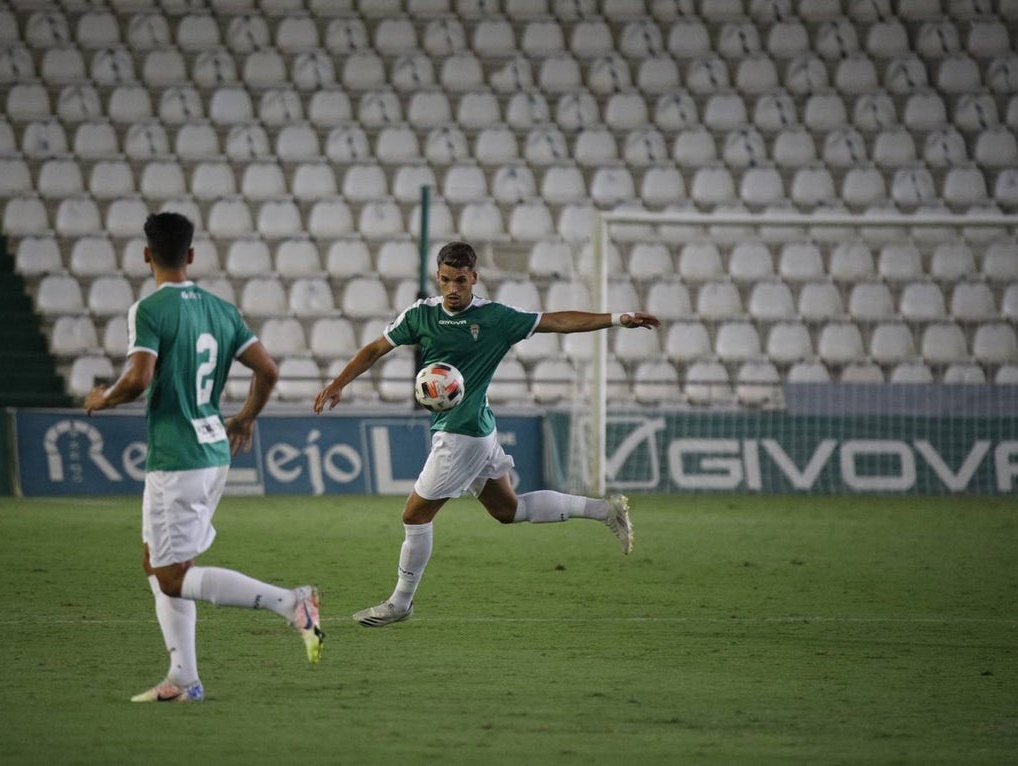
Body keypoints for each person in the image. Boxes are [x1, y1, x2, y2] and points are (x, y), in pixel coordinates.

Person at [313, 240, 661, 627]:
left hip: (462, 434)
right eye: (445, 280)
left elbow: (557, 321)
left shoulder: (495, 318)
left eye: (460, 280)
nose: (452, 289)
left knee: (414, 515)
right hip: (478, 428)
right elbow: (375, 348)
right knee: (506, 510)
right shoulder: (421, 315)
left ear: (474, 278)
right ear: (438, 278)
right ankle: (605, 510)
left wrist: (617, 318)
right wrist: (338, 382)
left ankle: (401, 602)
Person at [85, 212, 324, 702]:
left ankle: (291, 603)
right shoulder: (221, 309)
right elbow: (269, 372)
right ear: (191, 255)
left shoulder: (149, 309)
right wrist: (245, 417)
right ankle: (183, 679)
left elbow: (138, 378)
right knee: (161, 564)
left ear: (147, 255)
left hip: (178, 457)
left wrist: (101, 399)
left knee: (172, 576)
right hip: (214, 447)